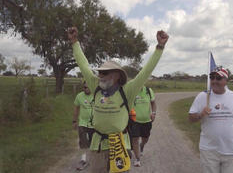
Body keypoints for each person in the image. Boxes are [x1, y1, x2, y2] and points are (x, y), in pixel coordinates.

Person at [68, 26, 169, 172]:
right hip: (98, 146)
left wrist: (160, 47)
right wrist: (75, 42)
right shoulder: (95, 85)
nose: (100, 75)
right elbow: (83, 65)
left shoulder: (127, 90)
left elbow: (146, 71)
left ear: (116, 75)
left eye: (105, 73)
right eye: (100, 72)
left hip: (120, 145)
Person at [188, 68, 233, 173]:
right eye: (212, 78)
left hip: (230, 149)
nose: (214, 81)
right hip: (209, 150)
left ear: (226, 81)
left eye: (218, 78)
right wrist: (201, 115)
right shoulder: (203, 96)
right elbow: (190, 118)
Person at [129, 86, 156, 167]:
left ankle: (142, 146)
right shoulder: (132, 91)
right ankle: (137, 159)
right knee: (135, 139)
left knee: (145, 139)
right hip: (134, 121)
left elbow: (153, 103)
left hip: (147, 121)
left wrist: (154, 113)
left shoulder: (149, 90)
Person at [72, 81, 94, 171]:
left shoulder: (97, 95)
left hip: (95, 124)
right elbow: (76, 109)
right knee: (83, 142)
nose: (86, 89)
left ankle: (93, 159)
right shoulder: (79, 96)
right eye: (84, 87)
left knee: (94, 143)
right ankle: (83, 159)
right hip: (83, 123)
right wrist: (74, 121)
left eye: (88, 87)